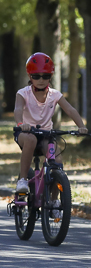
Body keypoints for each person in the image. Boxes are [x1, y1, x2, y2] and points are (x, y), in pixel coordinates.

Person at [14, 53, 86, 213]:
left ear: (50, 76)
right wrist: (21, 124)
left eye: (45, 76)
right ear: (29, 76)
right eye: (36, 76)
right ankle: (23, 181)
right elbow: (18, 109)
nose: (41, 79)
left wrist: (81, 126)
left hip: (46, 135)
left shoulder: (54, 95)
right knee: (31, 139)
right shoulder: (23, 93)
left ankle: (54, 200)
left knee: (57, 165)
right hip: (26, 133)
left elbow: (70, 109)